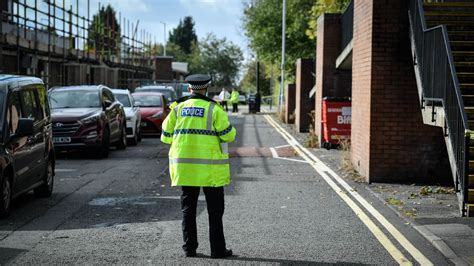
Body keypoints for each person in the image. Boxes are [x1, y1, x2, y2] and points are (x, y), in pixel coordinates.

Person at [161, 74, 236, 259]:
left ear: (189, 89)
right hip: (211, 170)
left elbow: (165, 136)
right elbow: (228, 135)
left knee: (188, 210)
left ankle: (189, 248)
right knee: (215, 211)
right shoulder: (214, 109)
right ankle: (217, 250)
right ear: (206, 88)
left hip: (186, 170)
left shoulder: (177, 109)